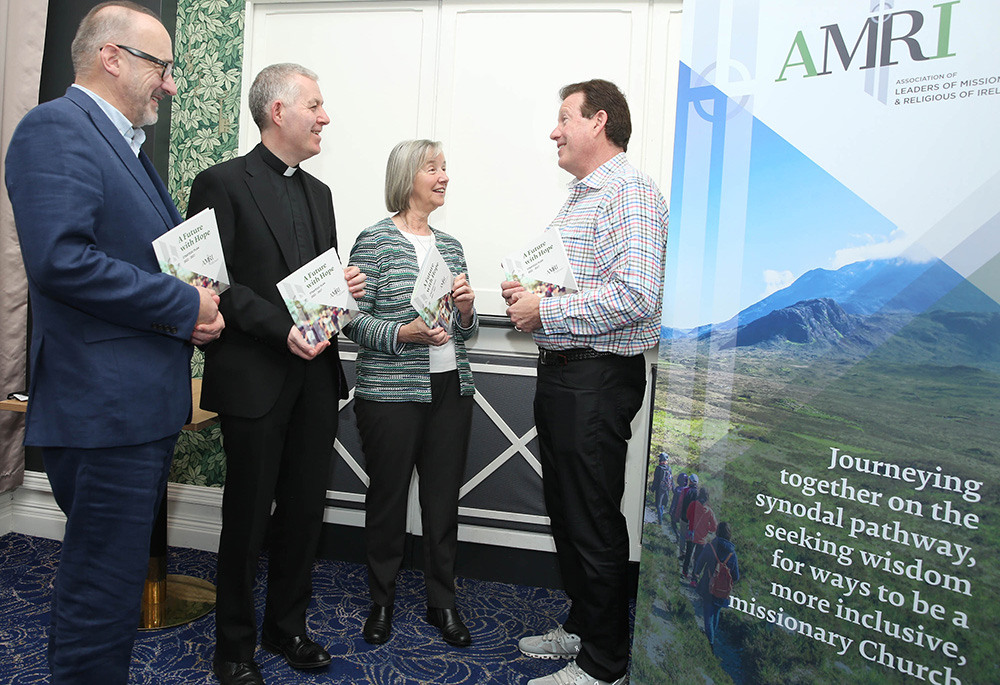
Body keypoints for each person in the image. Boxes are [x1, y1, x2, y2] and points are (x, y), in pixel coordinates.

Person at [4, 2, 224, 682]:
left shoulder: (124, 148)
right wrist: (185, 302)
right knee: (101, 595)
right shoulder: (55, 129)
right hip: (104, 412)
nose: (170, 83)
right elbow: (61, 262)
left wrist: (204, 292)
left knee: (113, 585)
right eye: (160, 65)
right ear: (112, 58)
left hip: (134, 409)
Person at [186, 63, 365, 685]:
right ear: (278, 111)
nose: (324, 117)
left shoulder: (321, 195)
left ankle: (287, 627)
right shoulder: (220, 183)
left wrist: (344, 292)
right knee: (247, 516)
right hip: (255, 375)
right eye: (314, 105)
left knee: (303, 514)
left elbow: (317, 288)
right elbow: (211, 283)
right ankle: (232, 646)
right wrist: (279, 329)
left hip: (317, 377)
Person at [503, 79, 668, 685]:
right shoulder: (579, 197)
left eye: (563, 118)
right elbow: (581, 284)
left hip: (597, 378)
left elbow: (637, 296)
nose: (554, 131)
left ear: (598, 121)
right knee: (568, 511)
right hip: (566, 374)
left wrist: (544, 312)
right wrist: (532, 294)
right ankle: (585, 627)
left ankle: (604, 665)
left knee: (592, 515)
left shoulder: (631, 193)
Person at [346, 139, 478, 649]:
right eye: (433, 168)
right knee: (388, 498)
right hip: (390, 392)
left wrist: (464, 312)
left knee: (443, 502)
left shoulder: (453, 247)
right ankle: (381, 602)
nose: (444, 176)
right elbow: (353, 321)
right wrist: (405, 334)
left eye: (446, 167)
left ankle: (441, 603)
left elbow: (462, 333)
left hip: (451, 388)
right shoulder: (374, 241)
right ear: (407, 177)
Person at [693, 522, 740, 652]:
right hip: (723, 590)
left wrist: (696, 573)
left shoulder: (710, 547)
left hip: (708, 585)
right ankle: (712, 636)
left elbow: (700, 561)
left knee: (708, 614)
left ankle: (710, 643)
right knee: (716, 612)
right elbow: (736, 576)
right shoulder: (732, 554)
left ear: (717, 532)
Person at [682, 488, 716, 580]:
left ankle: (684, 571)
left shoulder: (693, 504)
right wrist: (706, 528)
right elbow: (714, 527)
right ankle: (694, 578)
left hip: (691, 532)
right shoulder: (709, 511)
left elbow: (688, 516)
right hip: (702, 537)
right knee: (698, 558)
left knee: (688, 553)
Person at [651, 452, 672, 524]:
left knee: (658, 505)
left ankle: (660, 522)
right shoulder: (669, 468)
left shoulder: (658, 468)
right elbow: (671, 480)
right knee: (662, 504)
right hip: (666, 489)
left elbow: (656, 480)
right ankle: (661, 517)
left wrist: (652, 488)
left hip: (660, 489)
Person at [668, 472, 688, 542]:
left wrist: (671, 509)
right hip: (685, 511)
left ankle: (677, 535)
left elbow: (674, 501)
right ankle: (683, 539)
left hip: (677, 510)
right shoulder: (688, 490)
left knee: (673, 522)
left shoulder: (677, 489)